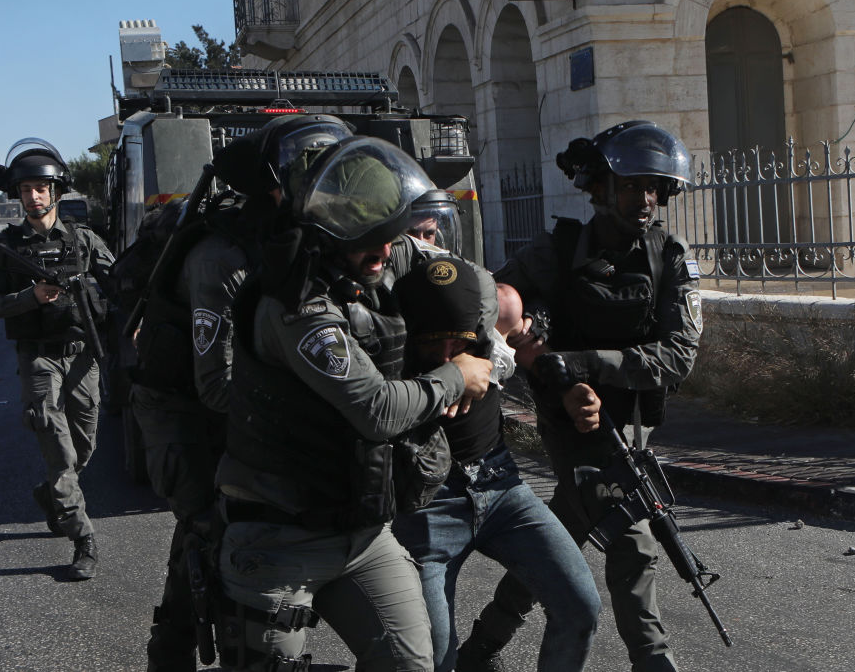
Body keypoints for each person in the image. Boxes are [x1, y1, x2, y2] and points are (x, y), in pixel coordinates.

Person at [213, 135, 493, 671]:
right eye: (373, 240)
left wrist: (471, 340)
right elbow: (378, 410)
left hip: (361, 528)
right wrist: (454, 376)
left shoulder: (375, 250)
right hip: (281, 538)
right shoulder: (297, 307)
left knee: (412, 663)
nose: (387, 252)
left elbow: (465, 275)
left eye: (392, 235)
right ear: (329, 235)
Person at [462, 121, 702, 672]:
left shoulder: (668, 256)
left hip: (633, 420)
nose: (644, 199)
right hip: (568, 416)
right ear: (600, 187)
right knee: (630, 535)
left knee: (561, 533)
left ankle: (478, 651)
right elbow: (498, 311)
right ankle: (654, 660)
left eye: (653, 187)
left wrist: (591, 362)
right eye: (631, 185)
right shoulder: (558, 250)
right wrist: (546, 352)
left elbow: (679, 356)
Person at [127, 114, 354, 672]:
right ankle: (192, 653)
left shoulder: (298, 239)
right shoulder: (222, 258)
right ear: (273, 188)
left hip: (243, 399)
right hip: (180, 406)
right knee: (209, 527)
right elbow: (216, 385)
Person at [391, 255, 602, 672]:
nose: (450, 355)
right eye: (434, 344)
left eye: (461, 343)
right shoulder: (389, 345)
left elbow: (534, 354)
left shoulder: (489, 321)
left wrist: (571, 390)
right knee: (433, 656)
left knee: (580, 606)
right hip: (428, 509)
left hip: (501, 486)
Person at [0, 138, 115, 581]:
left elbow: (120, 284)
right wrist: (29, 297)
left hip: (82, 356)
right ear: (17, 195)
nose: (33, 196)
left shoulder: (85, 240)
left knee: (84, 446)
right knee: (58, 450)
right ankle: (83, 538)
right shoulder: (4, 247)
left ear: (56, 191)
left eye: (41, 187)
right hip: (38, 360)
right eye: (25, 189)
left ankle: (51, 494)